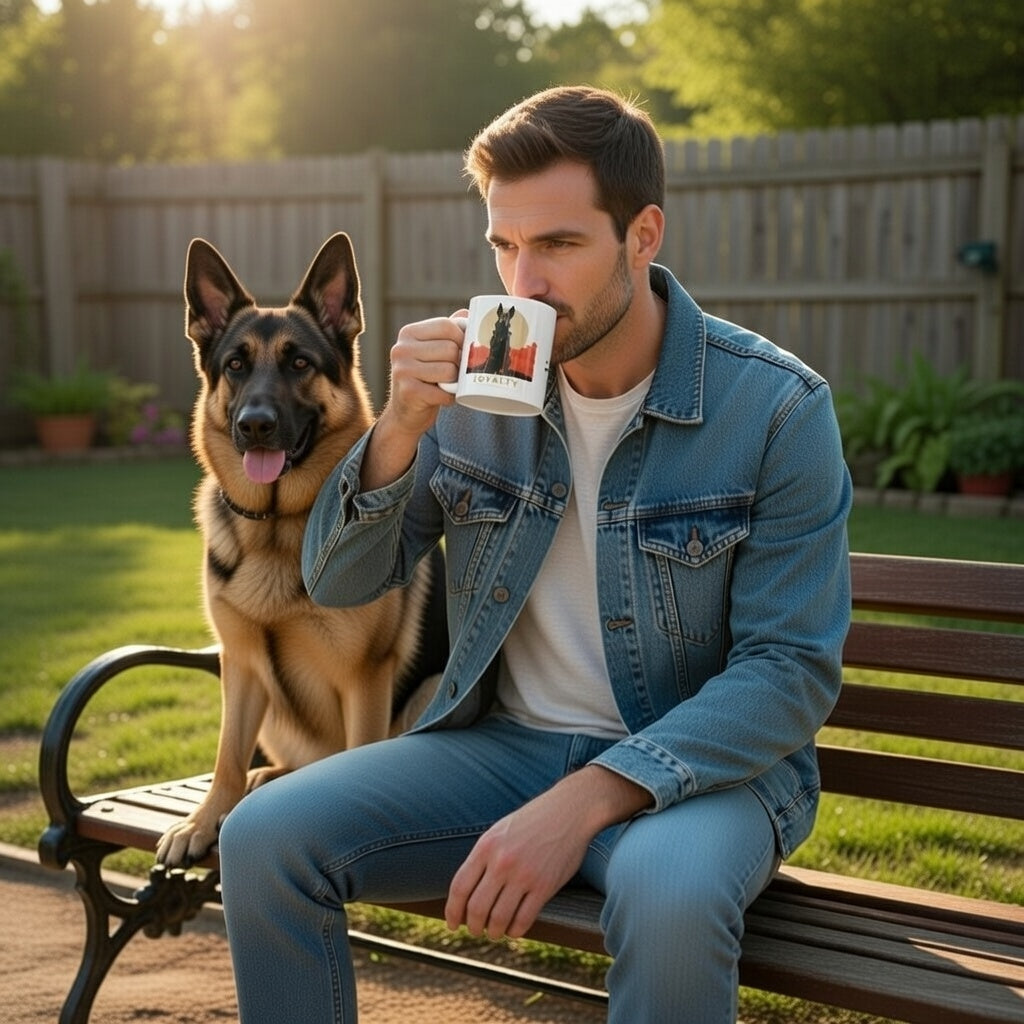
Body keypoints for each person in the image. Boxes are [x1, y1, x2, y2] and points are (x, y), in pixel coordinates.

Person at [218, 85, 852, 1023]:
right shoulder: (475, 393)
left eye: (557, 245)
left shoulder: (777, 412)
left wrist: (590, 798)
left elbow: (790, 671)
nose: (524, 283)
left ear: (643, 236)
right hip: (502, 749)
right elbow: (339, 580)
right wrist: (394, 433)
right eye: (504, 247)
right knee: (264, 835)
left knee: (669, 900)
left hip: (703, 773)